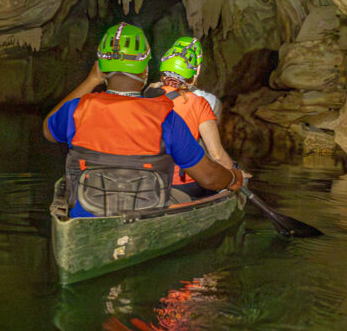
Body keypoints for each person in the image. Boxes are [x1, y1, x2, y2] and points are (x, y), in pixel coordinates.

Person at [43, 23, 242, 218]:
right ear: (145, 70)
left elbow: (47, 130)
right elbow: (209, 177)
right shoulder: (166, 118)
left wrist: (92, 80)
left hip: (86, 213)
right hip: (147, 211)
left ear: (101, 68)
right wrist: (234, 177)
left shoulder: (75, 110)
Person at [148, 37, 249, 198]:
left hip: (147, 180)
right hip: (183, 183)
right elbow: (216, 155)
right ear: (196, 73)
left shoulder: (145, 97)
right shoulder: (199, 103)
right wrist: (236, 172)